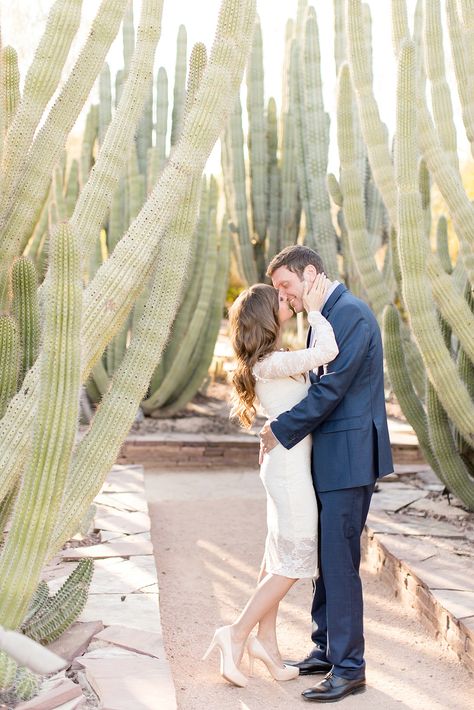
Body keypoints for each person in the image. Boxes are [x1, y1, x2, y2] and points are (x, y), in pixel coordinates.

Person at [260, 244, 394, 703]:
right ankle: (325, 648)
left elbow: (333, 386)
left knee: (339, 566)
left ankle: (350, 668)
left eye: (286, 286)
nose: (286, 297)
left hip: (349, 457)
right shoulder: (326, 312)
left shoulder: (350, 313)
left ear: (311, 273)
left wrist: (281, 428)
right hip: (329, 456)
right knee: (324, 562)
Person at [203, 274, 339, 688]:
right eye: (278, 299)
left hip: (283, 466)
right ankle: (237, 632)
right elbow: (329, 350)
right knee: (295, 560)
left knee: (277, 556)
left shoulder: (270, 360)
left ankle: (266, 644)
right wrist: (315, 310)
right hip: (287, 472)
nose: (286, 301)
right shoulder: (273, 363)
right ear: (267, 316)